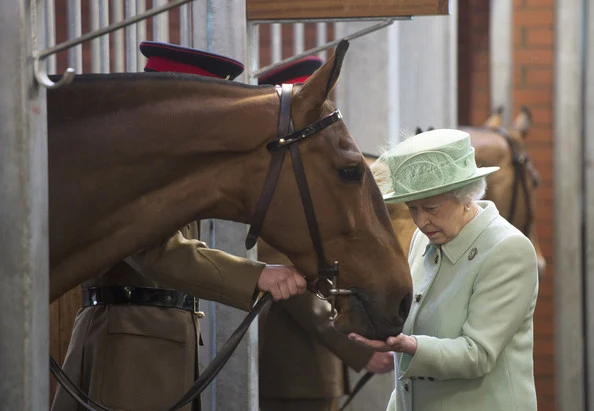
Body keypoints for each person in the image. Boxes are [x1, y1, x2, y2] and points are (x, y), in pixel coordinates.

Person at [51, 42, 307, 411]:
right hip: (128, 348)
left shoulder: (165, 162)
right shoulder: (131, 157)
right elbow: (152, 249)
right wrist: (256, 276)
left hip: (148, 342)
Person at [349, 128, 539, 411]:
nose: (421, 221)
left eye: (432, 208)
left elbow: (477, 354)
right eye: (412, 208)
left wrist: (408, 346)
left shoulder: (508, 249)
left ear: (466, 196)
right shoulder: (422, 239)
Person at [256, 57, 395, 411]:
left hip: (317, 368)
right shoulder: (278, 190)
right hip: (292, 372)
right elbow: (293, 286)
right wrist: (356, 349)